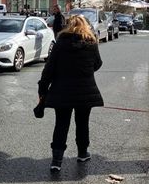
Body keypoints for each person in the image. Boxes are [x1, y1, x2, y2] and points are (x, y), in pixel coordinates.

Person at [35, 15, 104, 172]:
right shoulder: (91, 43)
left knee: (61, 124)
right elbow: (97, 64)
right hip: (85, 90)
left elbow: (49, 68)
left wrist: (42, 88)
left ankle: (57, 160)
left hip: (62, 90)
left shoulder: (60, 43)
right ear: (85, 26)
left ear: (68, 26)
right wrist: (85, 70)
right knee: (82, 123)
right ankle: (82, 153)